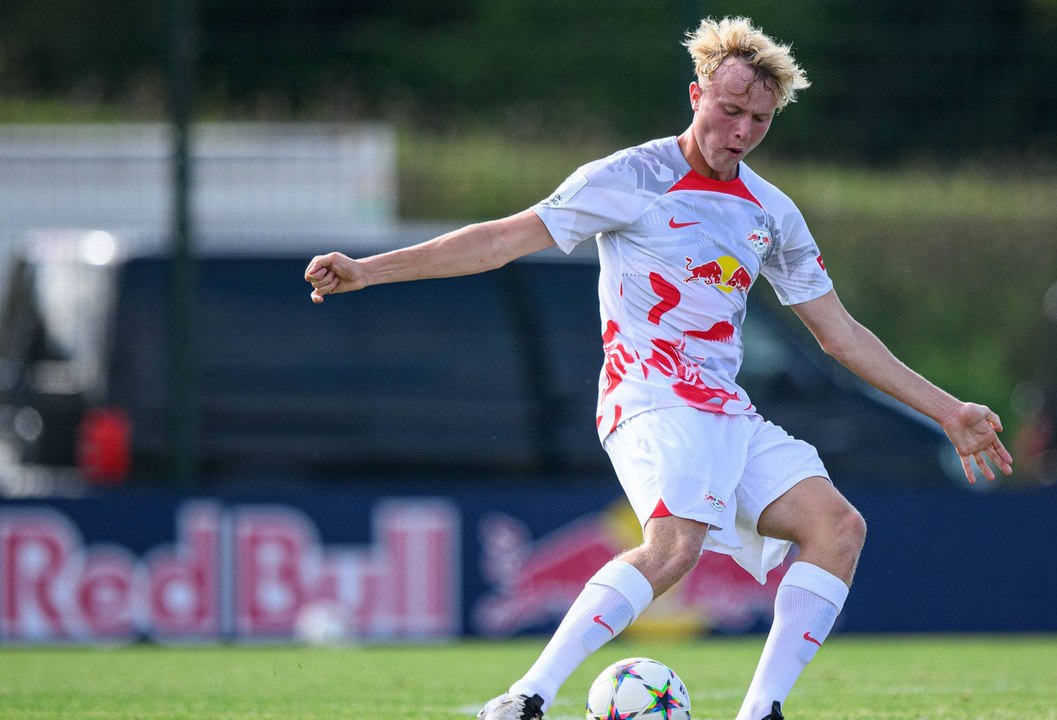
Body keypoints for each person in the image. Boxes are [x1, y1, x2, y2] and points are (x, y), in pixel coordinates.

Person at [305, 16, 1013, 720]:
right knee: (674, 546)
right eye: (730, 110)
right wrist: (367, 271)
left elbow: (841, 336)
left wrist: (949, 411)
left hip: (723, 408)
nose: (740, 131)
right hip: (647, 394)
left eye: (759, 120)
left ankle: (761, 711)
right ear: (696, 94)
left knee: (838, 528)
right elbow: (499, 240)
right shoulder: (631, 177)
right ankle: (525, 698)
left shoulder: (773, 213)